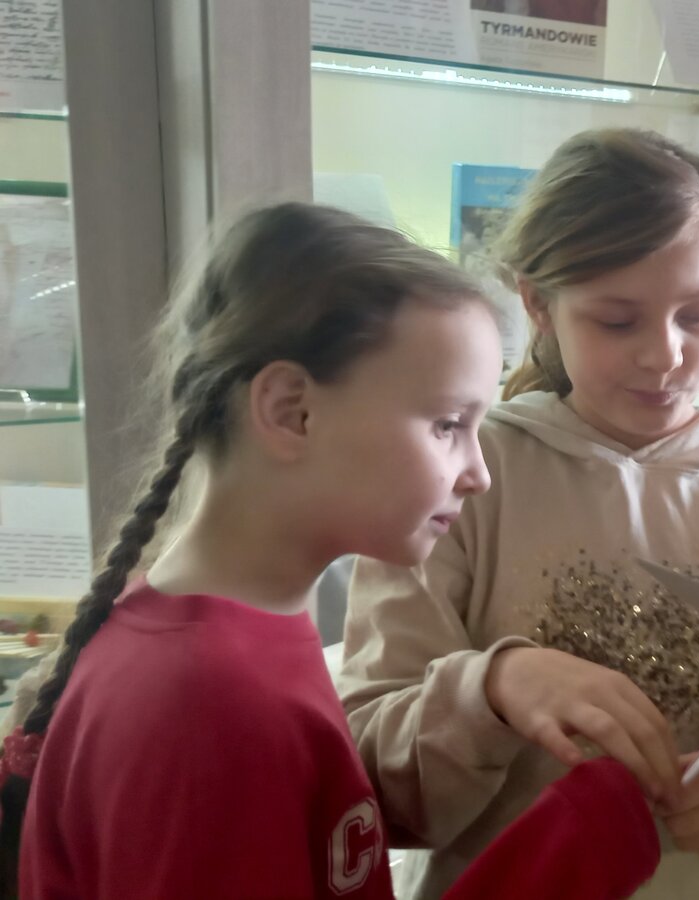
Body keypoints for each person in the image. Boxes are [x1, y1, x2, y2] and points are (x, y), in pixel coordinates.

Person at [0, 202, 660, 900]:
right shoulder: (204, 704)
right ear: (292, 411)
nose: (478, 474)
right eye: (447, 425)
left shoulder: (233, 644)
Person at [339, 128, 699, 900]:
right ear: (537, 303)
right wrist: (494, 688)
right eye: (617, 321)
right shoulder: (463, 482)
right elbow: (365, 770)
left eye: (697, 315)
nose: (664, 355)